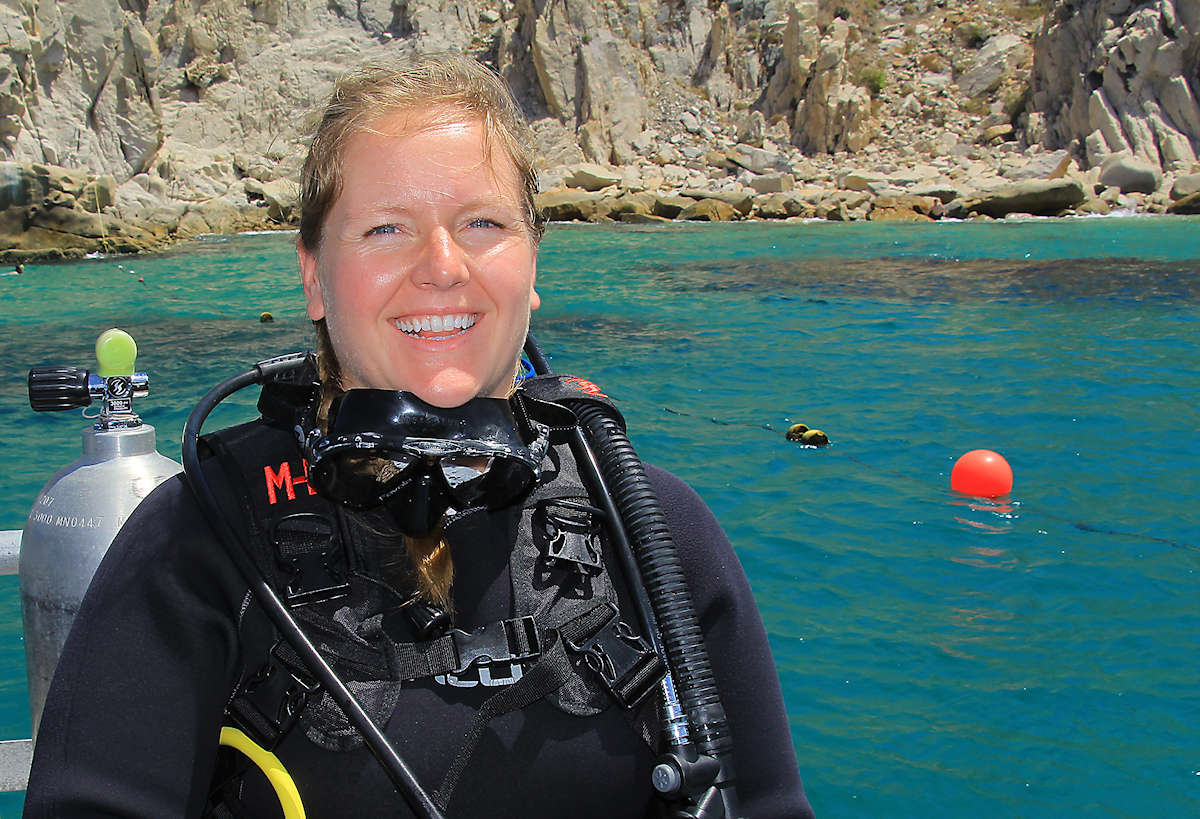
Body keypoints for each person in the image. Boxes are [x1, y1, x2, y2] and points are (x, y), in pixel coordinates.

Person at [23, 54, 813, 818]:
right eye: (387, 229)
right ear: (312, 276)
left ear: (533, 260)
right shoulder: (198, 541)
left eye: (481, 221)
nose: (442, 265)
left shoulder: (653, 533)